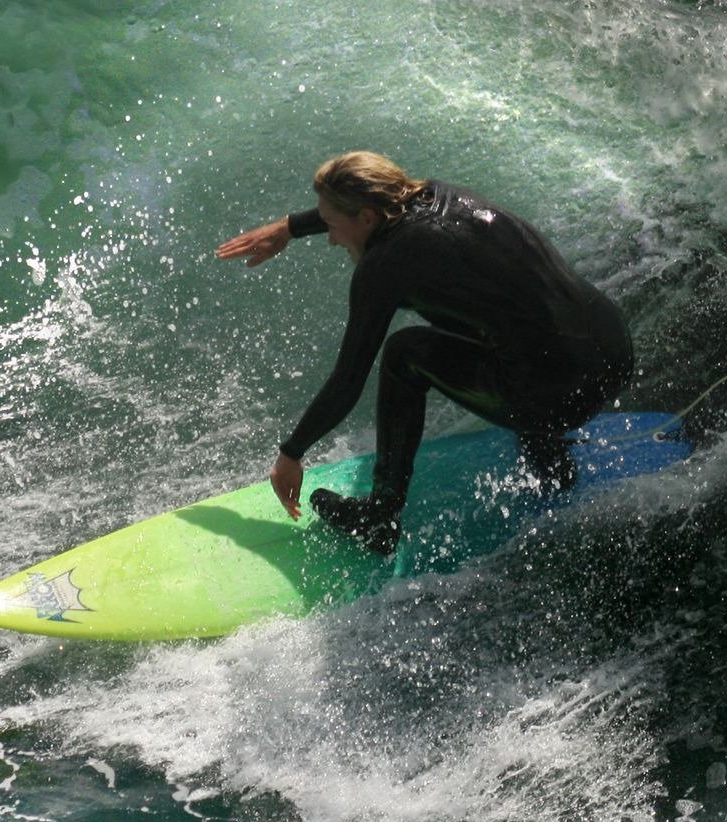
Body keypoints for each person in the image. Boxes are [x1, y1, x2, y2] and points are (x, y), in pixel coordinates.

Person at [215, 151, 634, 555]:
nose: (330, 239)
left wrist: (291, 453)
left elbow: (348, 380)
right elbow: (373, 206)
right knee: (504, 316)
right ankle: (550, 455)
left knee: (403, 354)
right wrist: (289, 227)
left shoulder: (383, 268)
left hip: (558, 398)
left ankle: (380, 516)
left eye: (331, 225)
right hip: (613, 355)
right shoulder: (441, 195)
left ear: (365, 218)